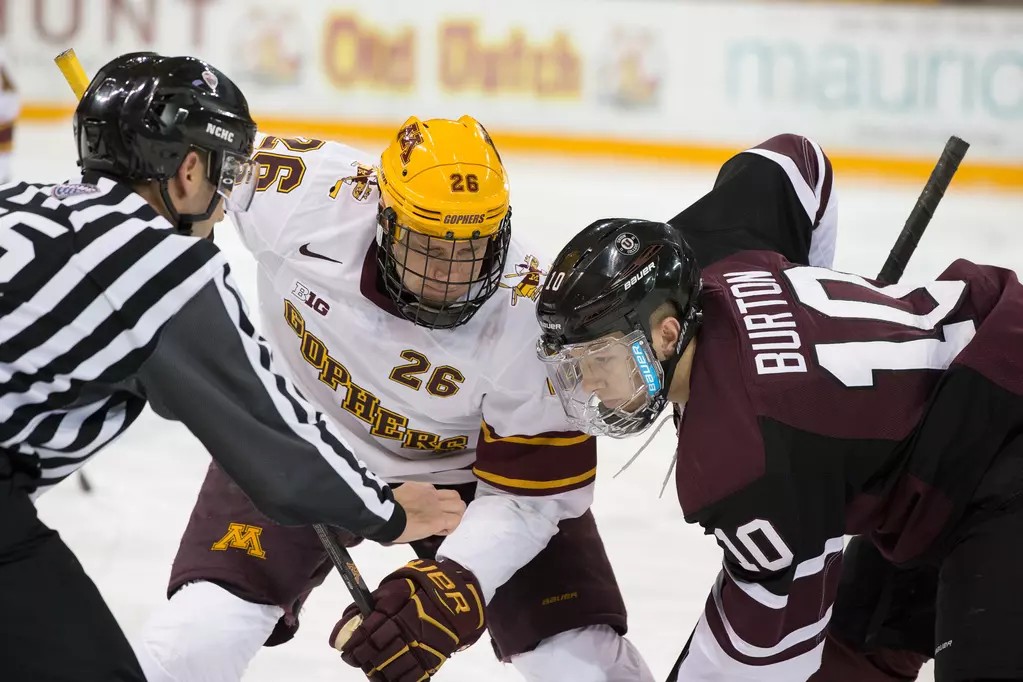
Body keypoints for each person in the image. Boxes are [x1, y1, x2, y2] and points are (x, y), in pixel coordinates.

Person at [133, 116, 653, 682]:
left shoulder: (535, 320)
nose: (449, 276)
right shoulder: (302, 195)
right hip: (297, 442)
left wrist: (459, 580)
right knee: (200, 633)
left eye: (471, 249)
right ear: (383, 217)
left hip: (466, 475)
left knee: (578, 658)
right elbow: (184, 162)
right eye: (427, 246)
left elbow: (532, 497)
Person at [0, 52, 461, 681]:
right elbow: (274, 443)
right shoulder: (159, 267)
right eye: (226, 171)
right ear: (189, 170)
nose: (223, 205)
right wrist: (389, 511)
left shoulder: (16, 202)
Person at [536, 200, 1023, 682]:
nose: (591, 384)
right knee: (847, 656)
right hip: (951, 432)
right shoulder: (711, 256)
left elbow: (765, 653)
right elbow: (797, 166)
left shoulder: (740, 454)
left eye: (601, 359)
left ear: (666, 336)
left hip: (1001, 434)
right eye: (578, 364)